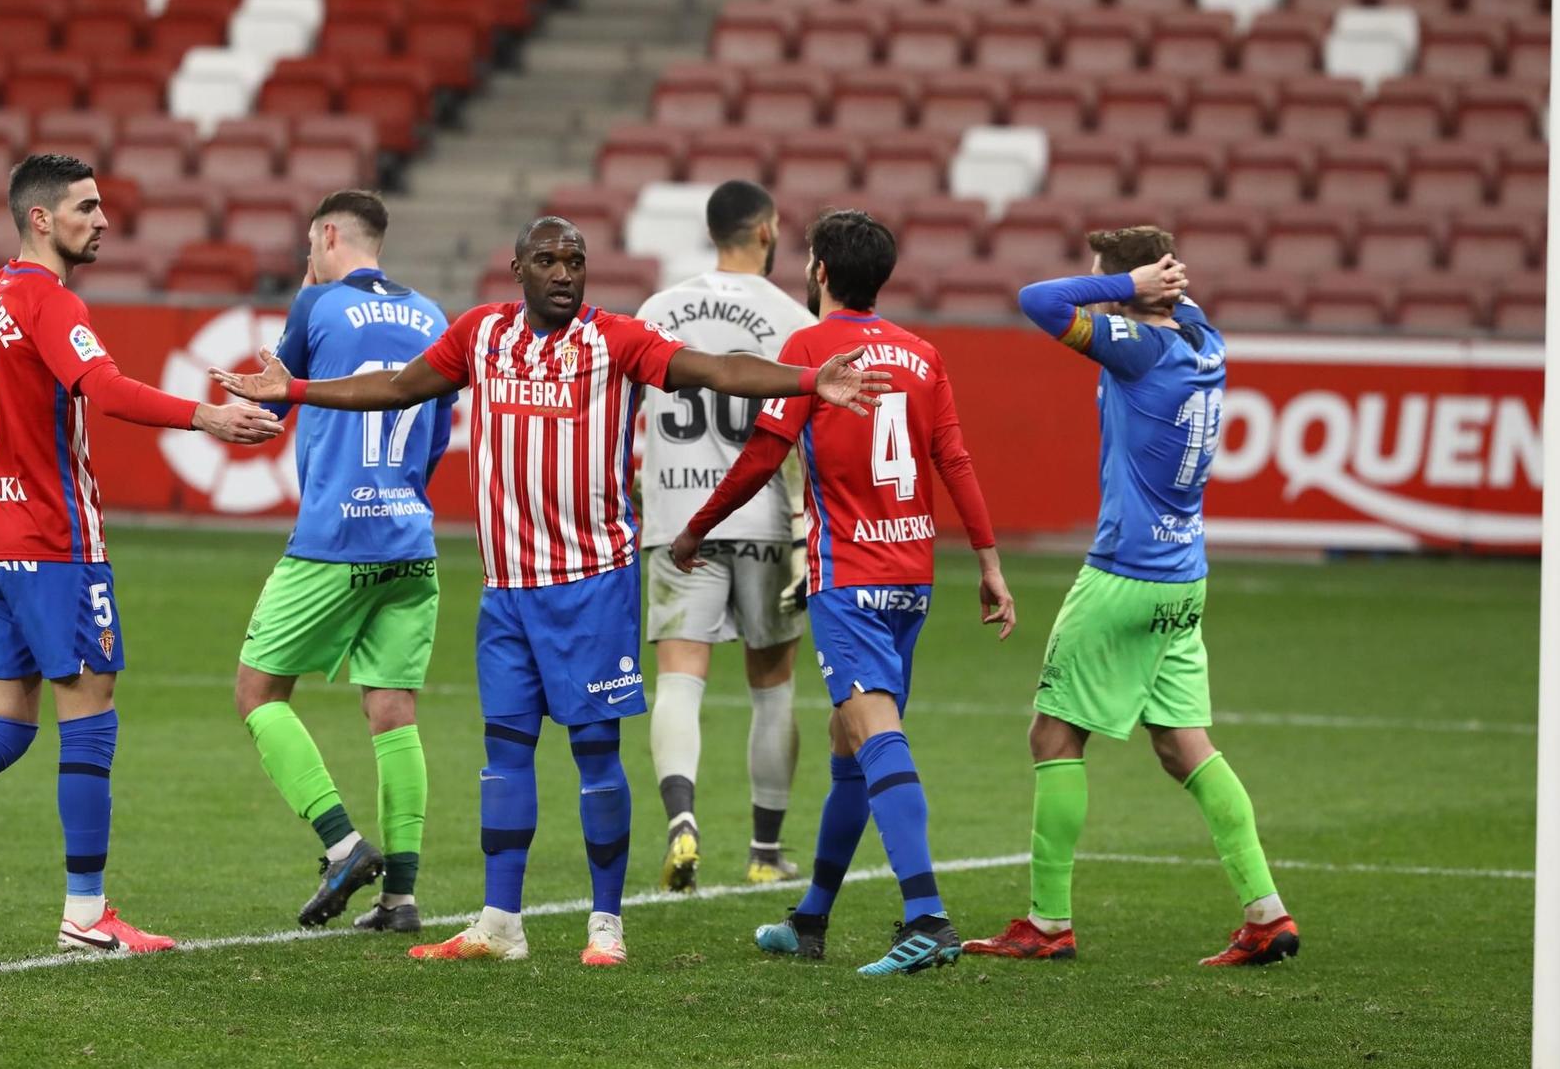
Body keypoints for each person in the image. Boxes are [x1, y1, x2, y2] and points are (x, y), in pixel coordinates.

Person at [212, 216, 889, 967]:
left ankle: (606, 924)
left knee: (596, 755)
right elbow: (400, 387)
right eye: (548, 260)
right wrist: (296, 389)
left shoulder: (618, 340)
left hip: (593, 584)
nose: (564, 272)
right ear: (518, 268)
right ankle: (500, 922)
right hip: (506, 592)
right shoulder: (481, 336)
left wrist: (806, 380)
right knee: (504, 755)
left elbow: (713, 370)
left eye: (576, 260)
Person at [0, 154, 280, 955]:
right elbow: (107, 388)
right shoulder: (49, 302)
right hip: (54, 544)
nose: (104, 220)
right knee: (90, 712)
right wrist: (208, 418)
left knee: (6, 723)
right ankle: (86, 914)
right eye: (87, 207)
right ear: (41, 219)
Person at [669, 208, 1016, 977]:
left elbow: (765, 453)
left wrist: (695, 527)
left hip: (849, 577)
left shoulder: (811, 349)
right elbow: (954, 460)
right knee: (848, 745)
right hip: (912, 579)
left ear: (820, 270)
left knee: (875, 733)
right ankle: (813, 917)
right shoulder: (924, 355)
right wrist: (989, 564)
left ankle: (927, 915)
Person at [963, 227, 1299, 968]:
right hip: (1184, 576)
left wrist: (1125, 285)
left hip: (1124, 573)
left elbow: (1037, 300)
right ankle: (1266, 913)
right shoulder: (1204, 336)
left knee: (1053, 737)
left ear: (1135, 288)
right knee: (1185, 746)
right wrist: (1149, 283)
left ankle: (1048, 923)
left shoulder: (1137, 348)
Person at [234, 190, 454, 933]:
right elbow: (438, 436)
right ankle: (403, 897)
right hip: (409, 538)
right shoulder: (433, 316)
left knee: (258, 693)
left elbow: (273, 402)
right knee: (393, 711)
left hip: (333, 539)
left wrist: (305, 285)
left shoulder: (319, 306)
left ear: (326, 236)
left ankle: (343, 842)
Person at [635, 180, 814, 892]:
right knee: (772, 687)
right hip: (766, 517)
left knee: (680, 679)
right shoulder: (792, 317)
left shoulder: (656, 310)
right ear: (766, 230)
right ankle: (765, 851)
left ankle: (682, 819)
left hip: (679, 519)